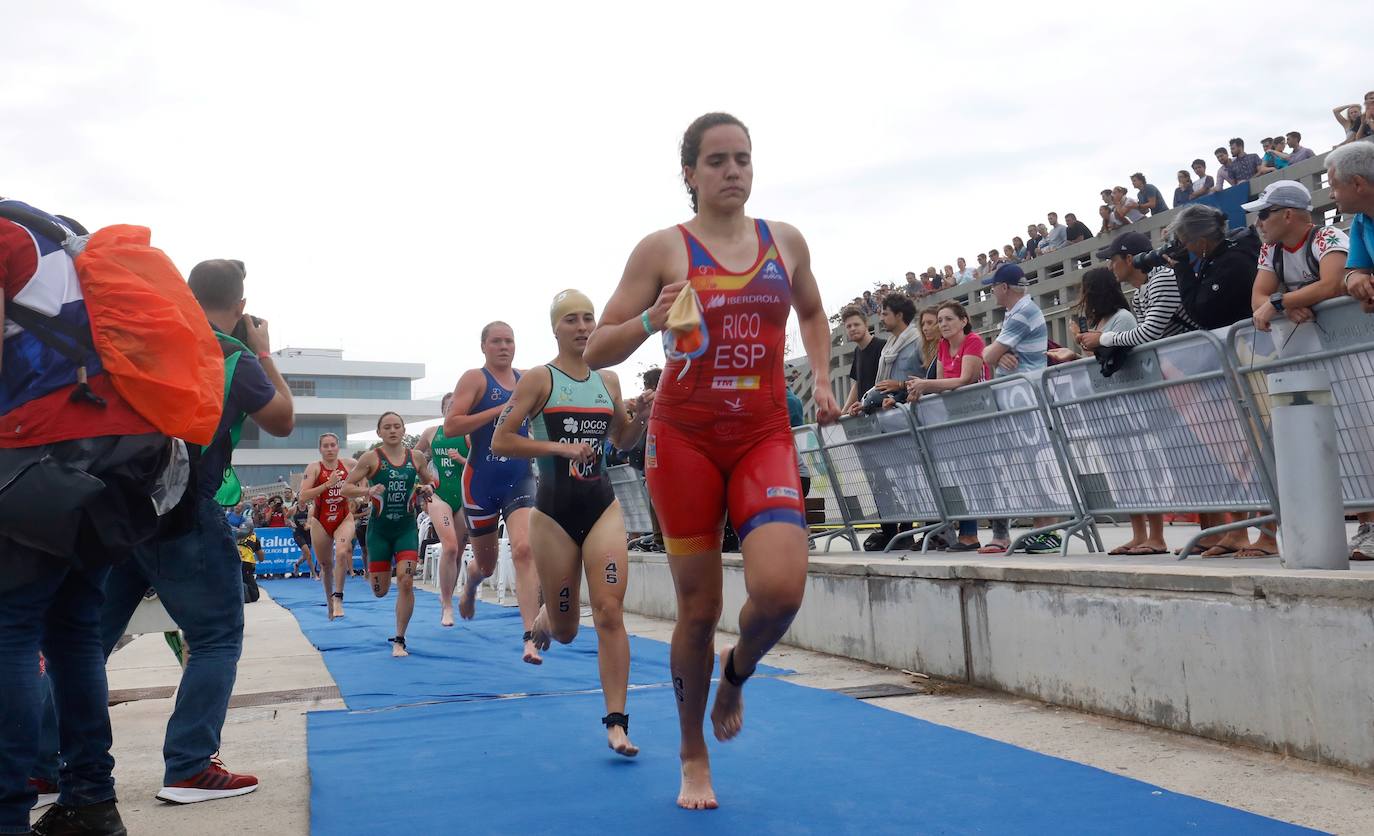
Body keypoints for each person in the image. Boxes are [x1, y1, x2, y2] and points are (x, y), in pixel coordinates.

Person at [583, 112, 840, 810]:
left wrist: (819, 376)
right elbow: (597, 346)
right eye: (718, 160)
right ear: (690, 174)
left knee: (783, 591)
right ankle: (692, 752)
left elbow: (814, 313)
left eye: (744, 159)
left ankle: (738, 670)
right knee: (700, 609)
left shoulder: (783, 243)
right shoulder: (663, 250)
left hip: (762, 433)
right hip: (686, 441)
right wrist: (649, 321)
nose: (734, 171)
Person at [1, 200, 178, 834]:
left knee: (11, 628)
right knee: (73, 628)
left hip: (40, 448)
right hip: (126, 451)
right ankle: (90, 800)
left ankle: (8, 814)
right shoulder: (58, 232)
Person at [98, 258, 294, 806]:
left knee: (87, 642)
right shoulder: (232, 355)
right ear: (240, 308)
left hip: (119, 511)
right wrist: (261, 350)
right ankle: (188, 766)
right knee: (215, 637)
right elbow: (282, 418)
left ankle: (39, 765)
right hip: (185, 510)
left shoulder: (149, 342)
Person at [491, 289, 649, 758]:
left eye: (588, 319)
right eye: (571, 320)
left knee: (609, 612)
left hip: (602, 507)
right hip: (553, 515)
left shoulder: (609, 380)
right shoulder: (541, 379)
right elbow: (502, 438)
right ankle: (546, 618)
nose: (582, 328)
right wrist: (561, 449)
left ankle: (617, 723)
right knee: (566, 631)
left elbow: (620, 438)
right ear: (556, 328)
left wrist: (640, 417)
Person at [444, 322, 543, 664]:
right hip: (480, 483)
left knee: (525, 548)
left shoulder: (529, 378)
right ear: (484, 346)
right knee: (486, 564)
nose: (504, 346)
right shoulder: (475, 379)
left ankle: (529, 637)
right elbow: (451, 425)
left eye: (509, 341)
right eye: (496, 341)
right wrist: (498, 411)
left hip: (519, 477)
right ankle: (471, 583)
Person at [1052, 268, 1168, 556]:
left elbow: (1121, 354)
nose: (1083, 297)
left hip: (1132, 405)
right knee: (1123, 471)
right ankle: (1138, 533)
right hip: (1110, 408)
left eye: (1085, 290)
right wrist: (1075, 354)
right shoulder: (1101, 321)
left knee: (1143, 469)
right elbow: (1101, 362)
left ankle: (1157, 536)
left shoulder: (1122, 317)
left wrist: (1090, 344)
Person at [342, 412, 438, 657]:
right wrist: (368, 490)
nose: (393, 430)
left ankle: (400, 639)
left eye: (397, 426)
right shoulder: (371, 458)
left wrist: (427, 488)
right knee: (380, 591)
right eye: (387, 427)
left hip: (405, 528)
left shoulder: (415, 457)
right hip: (379, 532)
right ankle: (380, 585)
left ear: (404, 430)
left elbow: (431, 482)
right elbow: (346, 488)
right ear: (379, 433)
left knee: (406, 581)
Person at [1324, 142, 1374, 560]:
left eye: (1334, 186)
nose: (1332, 195)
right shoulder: (1360, 223)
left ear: (1358, 183)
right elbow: (1354, 269)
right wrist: (1357, 276)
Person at [906, 302, 987, 551]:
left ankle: (971, 534)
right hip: (951, 417)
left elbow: (965, 379)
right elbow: (940, 381)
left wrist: (926, 386)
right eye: (940, 320)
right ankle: (955, 531)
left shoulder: (973, 341)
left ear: (964, 321)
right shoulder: (942, 345)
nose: (943, 324)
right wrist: (921, 389)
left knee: (973, 474)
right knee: (955, 474)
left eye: (949, 319)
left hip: (977, 416)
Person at [1249, 181, 1350, 334]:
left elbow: (1332, 285)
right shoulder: (1270, 249)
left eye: (1263, 214)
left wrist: (1279, 303)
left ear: (1287, 215)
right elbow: (1257, 299)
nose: (1256, 223)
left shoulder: (1327, 236)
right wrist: (1286, 309)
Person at [1079, 232, 1195, 352]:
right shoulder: (1138, 295)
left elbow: (1148, 334)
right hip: (1187, 355)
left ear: (1129, 259)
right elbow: (1142, 340)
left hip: (1199, 355)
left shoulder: (1162, 279)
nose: (1110, 267)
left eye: (1113, 260)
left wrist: (1102, 338)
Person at [415, 392, 471, 627]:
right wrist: (420, 485)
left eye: (456, 406)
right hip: (438, 495)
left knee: (456, 552)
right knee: (448, 546)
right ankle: (447, 606)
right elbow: (413, 458)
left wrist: (460, 459)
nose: (452, 409)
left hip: (464, 495)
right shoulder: (431, 432)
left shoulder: (469, 434)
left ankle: (446, 595)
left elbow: (482, 464)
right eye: (448, 406)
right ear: (442, 410)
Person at [296, 433, 358, 620]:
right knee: (325, 564)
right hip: (320, 520)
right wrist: (326, 485)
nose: (330, 449)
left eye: (333, 445)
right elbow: (303, 496)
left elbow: (370, 469)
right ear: (320, 449)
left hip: (343, 517)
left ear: (338, 447)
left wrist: (364, 489)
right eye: (326, 446)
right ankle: (330, 603)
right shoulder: (315, 468)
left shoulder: (349, 464)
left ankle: (338, 597)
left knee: (341, 552)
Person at [1170, 203, 1258, 331]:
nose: (1184, 250)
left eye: (1184, 244)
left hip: (1251, 340)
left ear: (1201, 242)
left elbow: (1201, 315)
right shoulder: (1232, 250)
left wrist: (1182, 268)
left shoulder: (1231, 263)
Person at [841, 306, 885, 416]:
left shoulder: (882, 346)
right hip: (866, 414)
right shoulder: (857, 351)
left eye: (856, 324)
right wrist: (843, 412)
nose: (852, 328)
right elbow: (857, 384)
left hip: (883, 411)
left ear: (865, 324)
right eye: (848, 326)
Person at [288, 497, 318, 580]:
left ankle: (297, 564)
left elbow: (314, 518)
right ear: (298, 499)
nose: (302, 500)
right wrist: (290, 523)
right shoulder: (293, 509)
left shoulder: (310, 508)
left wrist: (310, 525)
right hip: (298, 533)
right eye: (300, 498)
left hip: (308, 533)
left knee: (305, 556)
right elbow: (286, 517)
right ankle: (314, 574)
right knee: (308, 554)